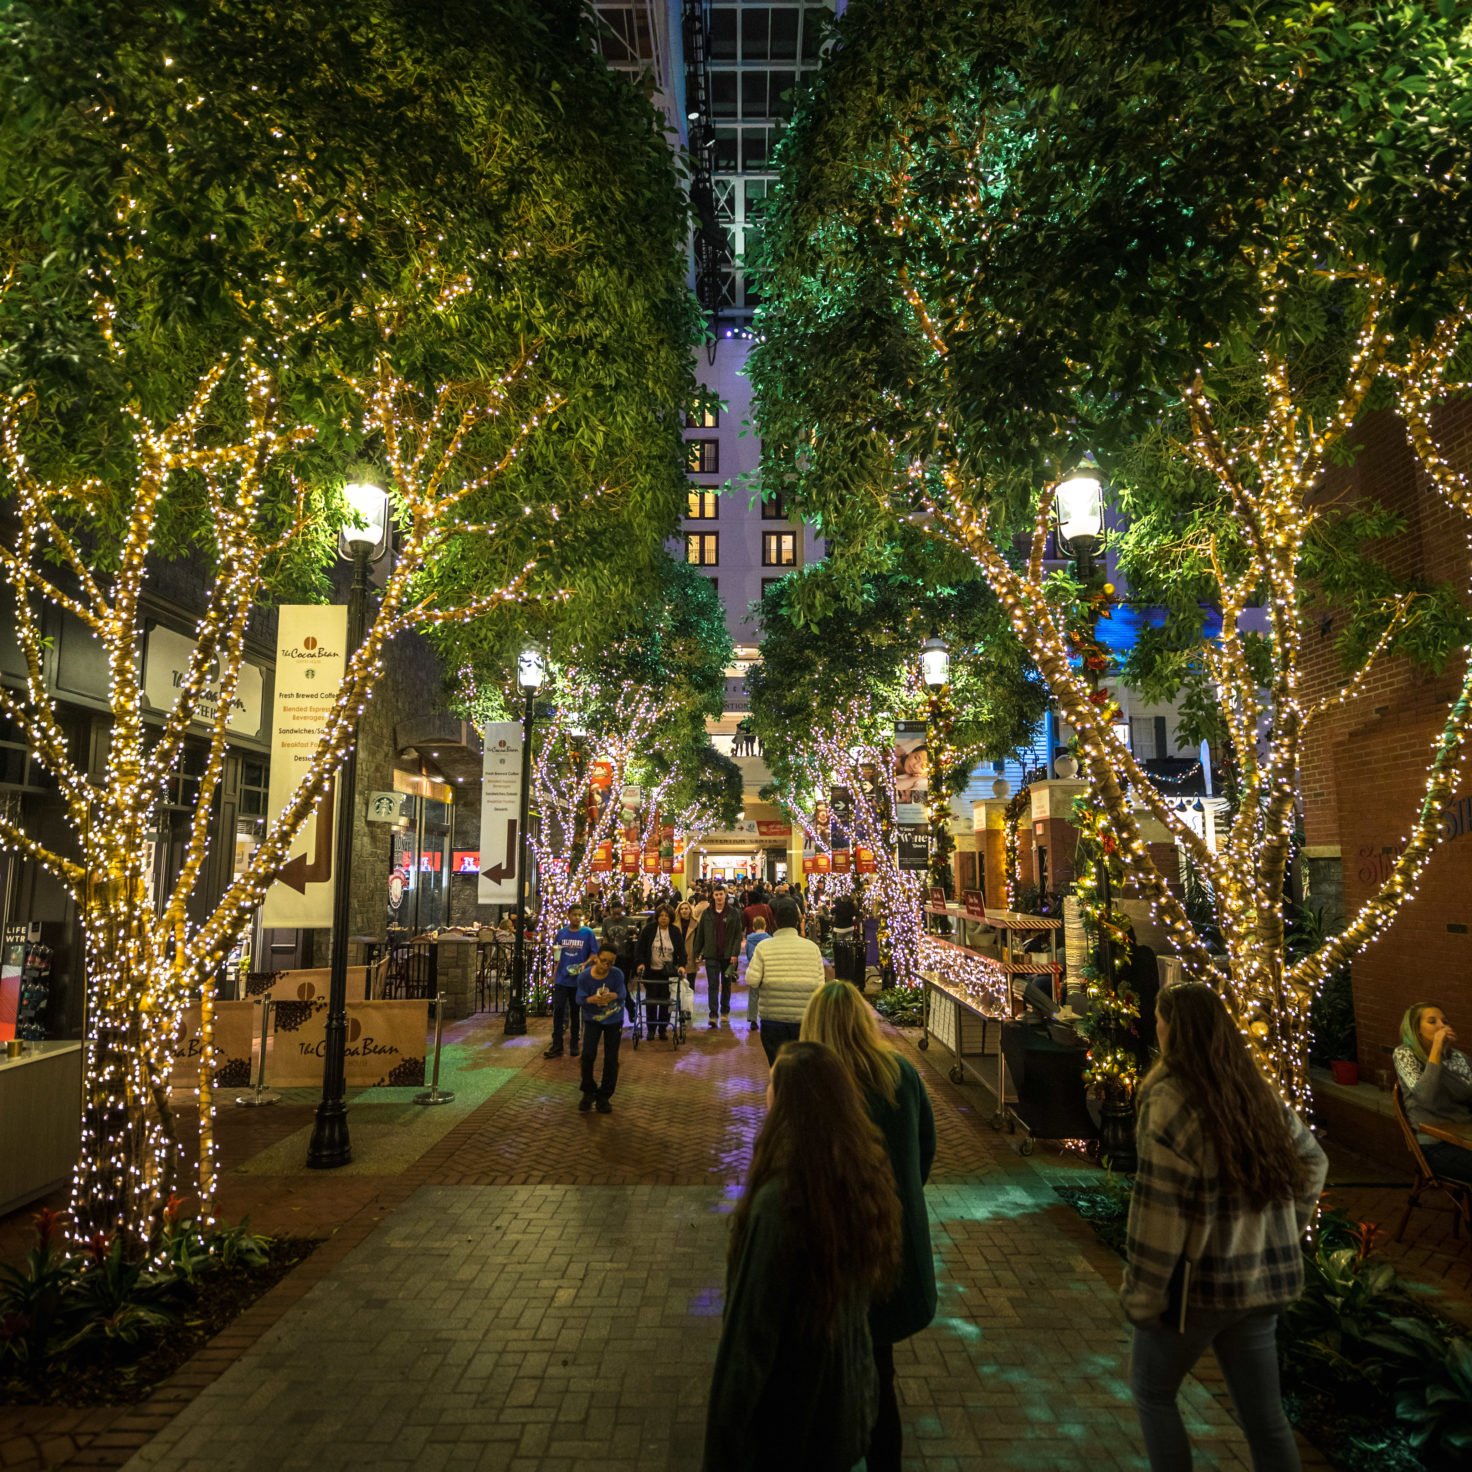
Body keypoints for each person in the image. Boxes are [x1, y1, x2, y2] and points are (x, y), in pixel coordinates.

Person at [1123, 983, 1328, 1472]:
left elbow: (1160, 1211)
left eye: (1159, 1021)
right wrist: (1282, 1229)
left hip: (1201, 1287)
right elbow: (1313, 1161)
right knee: (1265, 1417)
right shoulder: (1252, 1089)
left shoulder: (1170, 1099)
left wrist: (1144, 1295)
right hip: (1259, 1284)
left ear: (1172, 1029)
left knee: (1153, 1393)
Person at [703, 1041, 902, 1472]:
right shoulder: (859, 1179)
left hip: (791, 1425)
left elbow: (747, 1341)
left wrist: (722, 1448)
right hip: (841, 1420)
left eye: (772, 1084)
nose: (765, 1093)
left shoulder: (780, 1203)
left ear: (789, 1100)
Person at [799, 983, 936, 1472]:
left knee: (824, 1379)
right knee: (880, 1373)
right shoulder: (899, 1073)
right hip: (891, 1247)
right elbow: (925, 1151)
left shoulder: (811, 1080)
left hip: (831, 1253)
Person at [1394, 1003, 1472, 1183]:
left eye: (1445, 1021)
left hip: (1465, 1137)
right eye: (1432, 1021)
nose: (1442, 1026)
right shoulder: (1404, 1054)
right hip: (1435, 1145)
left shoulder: (1459, 1058)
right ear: (1416, 1030)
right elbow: (1426, 1097)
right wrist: (1437, 1047)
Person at [746, 899, 826, 1066]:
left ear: (775, 921)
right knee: (802, 1068)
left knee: (777, 1066)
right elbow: (821, 986)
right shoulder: (812, 948)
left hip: (773, 1018)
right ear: (797, 922)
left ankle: (779, 1091)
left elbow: (752, 980)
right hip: (804, 1018)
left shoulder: (763, 947)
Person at [575, 942, 627, 1114]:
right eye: (604, 961)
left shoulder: (617, 974)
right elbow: (580, 998)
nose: (606, 965)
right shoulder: (584, 977)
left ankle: (604, 1095)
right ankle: (588, 1091)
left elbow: (622, 994)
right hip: (592, 1019)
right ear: (596, 958)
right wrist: (591, 999)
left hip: (613, 1019)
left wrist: (613, 996)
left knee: (611, 1058)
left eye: (610, 962)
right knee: (588, 1055)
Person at [544, 903, 597, 1059]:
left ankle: (574, 1043)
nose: (577, 918)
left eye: (580, 915)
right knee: (558, 1010)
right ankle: (557, 1044)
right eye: (574, 914)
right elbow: (556, 955)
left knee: (576, 1012)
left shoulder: (587, 933)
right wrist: (553, 974)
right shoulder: (562, 933)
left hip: (579, 980)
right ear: (568, 915)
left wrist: (584, 965)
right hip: (562, 979)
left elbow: (594, 954)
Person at [692, 885, 741, 1028]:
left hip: (727, 956)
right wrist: (697, 952)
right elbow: (700, 933)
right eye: (716, 894)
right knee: (713, 985)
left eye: (721, 894)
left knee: (726, 985)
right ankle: (713, 1014)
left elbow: (738, 935)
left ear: (726, 895)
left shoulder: (733, 913)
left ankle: (725, 1011)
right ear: (712, 896)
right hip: (711, 955)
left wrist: (734, 953)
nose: (719, 897)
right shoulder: (707, 913)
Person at [636, 904, 687, 1041]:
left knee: (665, 1002)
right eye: (661, 916)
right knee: (651, 1001)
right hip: (651, 971)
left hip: (667, 972)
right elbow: (640, 948)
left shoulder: (675, 932)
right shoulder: (648, 930)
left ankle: (663, 1029)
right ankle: (651, 1030)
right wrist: (640, 963)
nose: (663, 918)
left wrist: (682, 966)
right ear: (657, 917)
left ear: (670, 918)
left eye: (666, 916)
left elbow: (682, 951)